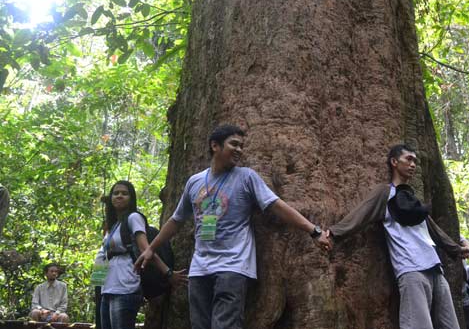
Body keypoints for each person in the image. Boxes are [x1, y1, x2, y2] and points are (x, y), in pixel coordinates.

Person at [134, 124, 331, 329]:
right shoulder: (195, 182)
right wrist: (151, 248)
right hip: (200, 268)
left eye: (241, 146)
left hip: (233, 265)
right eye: (234, 144)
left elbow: (276, 205)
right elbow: (176, 220)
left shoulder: (246, 177)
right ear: (215, 146)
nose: (239, 150)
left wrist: (313, 231)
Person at [325, 144, 469, 329]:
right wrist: (334, 232)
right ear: (394, 162)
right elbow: (361, 214)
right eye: (408, 159)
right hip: (411, 270)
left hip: (436, 270)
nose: (413, 164)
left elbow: (432, 229)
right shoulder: (386, 193)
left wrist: (456, 249)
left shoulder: (412, 200)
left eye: (415, 161)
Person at [98, 180, 186, 329]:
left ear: (131, 198)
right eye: (116, 193)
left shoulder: (133, 218)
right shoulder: (114, 225)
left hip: (126, 288)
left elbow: (147, 251)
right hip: (108, 289)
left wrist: (168, 273)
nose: (119, 196)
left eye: (124, 193)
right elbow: (103, 257)